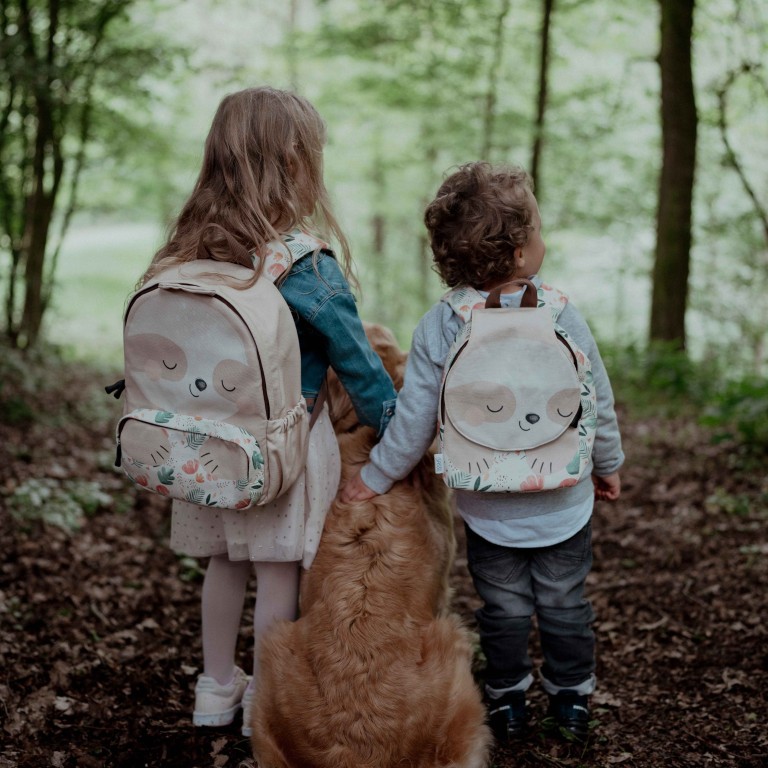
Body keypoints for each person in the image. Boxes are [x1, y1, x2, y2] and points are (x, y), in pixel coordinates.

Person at [138, 86, 397, 736]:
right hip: (280, 449)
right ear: (294, 161)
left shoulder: (184, 255)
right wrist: (400, 433)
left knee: (223, 565)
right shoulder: (304, 264)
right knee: (275, 573)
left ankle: (216, 686)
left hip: (201, 443)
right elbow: (360, 366)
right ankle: (267, 706)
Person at [341, 161, 623, 744]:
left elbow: (416, 418)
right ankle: (570, 699)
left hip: (488, 504)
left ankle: (507, 699)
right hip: (562, 499)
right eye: (538, 230)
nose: (544, 240)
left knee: (503, 608)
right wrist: (608, 463)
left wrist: (375, 474)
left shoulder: (442, 325)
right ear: (521, 253)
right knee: (565, 602)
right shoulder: (560, 313)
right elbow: (597, 395)